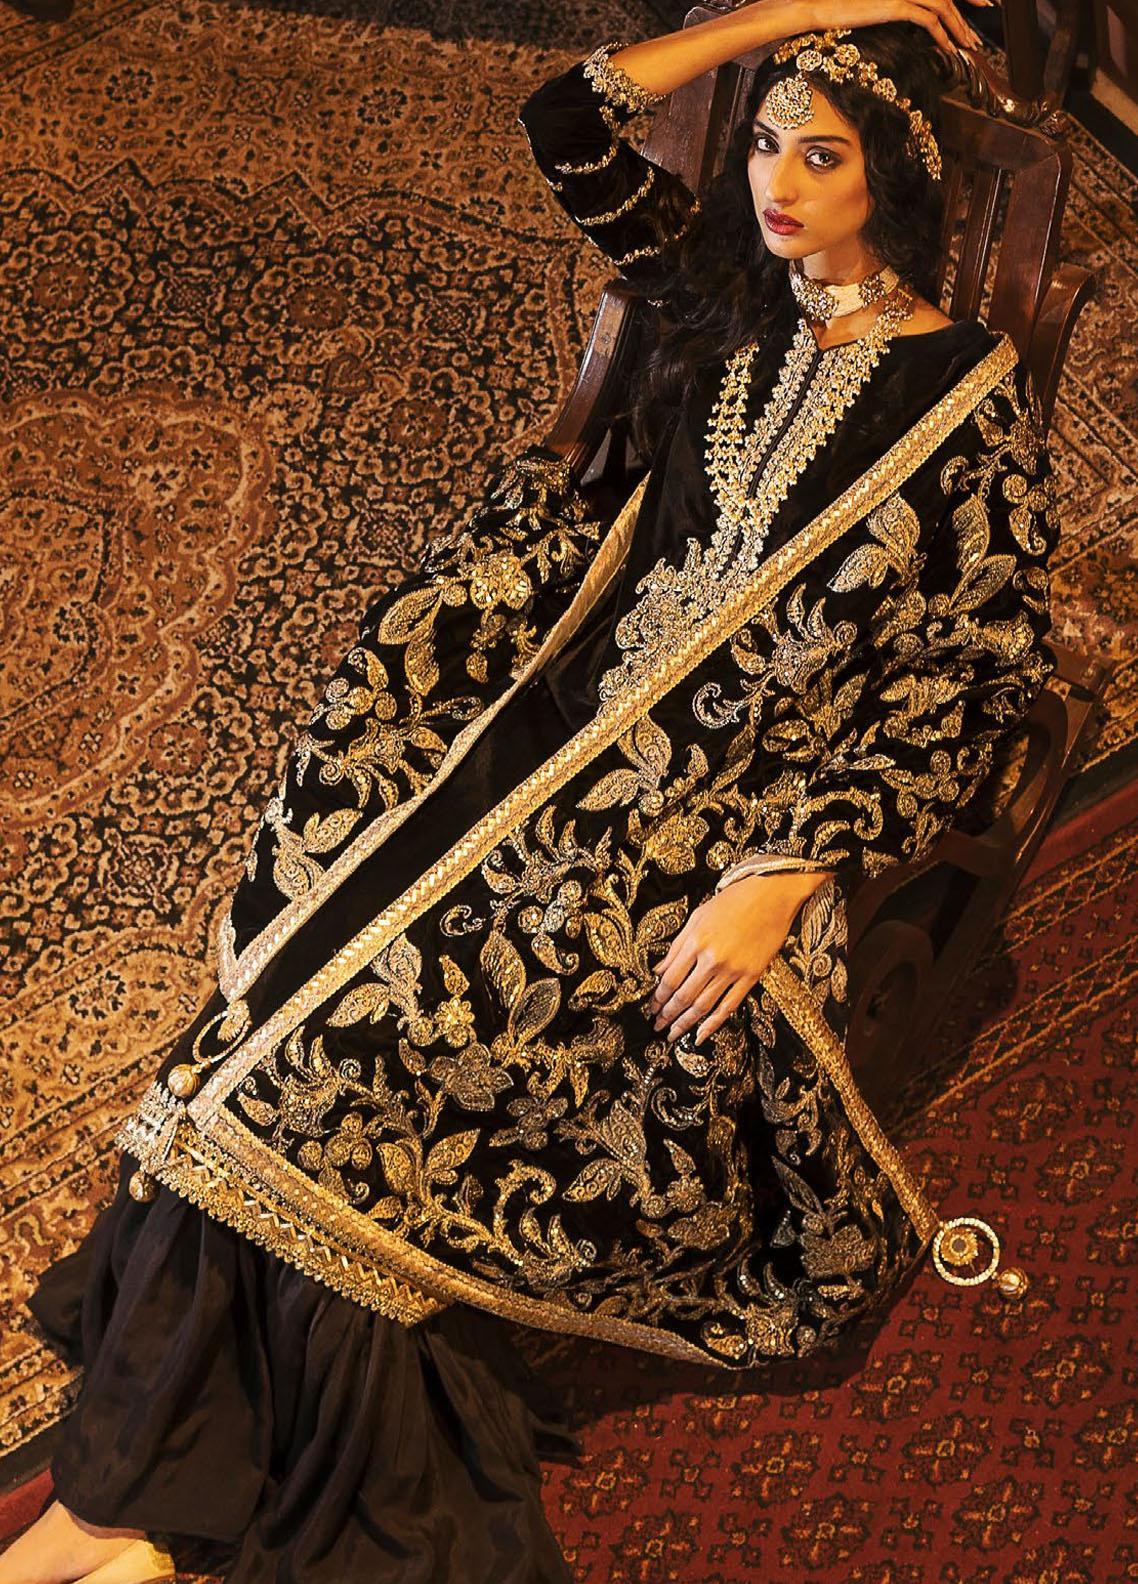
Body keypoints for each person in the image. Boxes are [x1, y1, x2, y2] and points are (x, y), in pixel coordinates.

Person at [3, 0, 1055, 1579]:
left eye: (819, 158)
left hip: (718, 819)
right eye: (765, 145)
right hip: (544, 714)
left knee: (349, 1046)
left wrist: (786, 871)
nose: (775, 185)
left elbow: (974, 670)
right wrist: (800, 13)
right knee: (284, 993)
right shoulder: (723, 291)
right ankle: (128, 1511)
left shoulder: (965, 400)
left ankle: (107, 1511)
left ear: (886, 186)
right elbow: (566, 117)